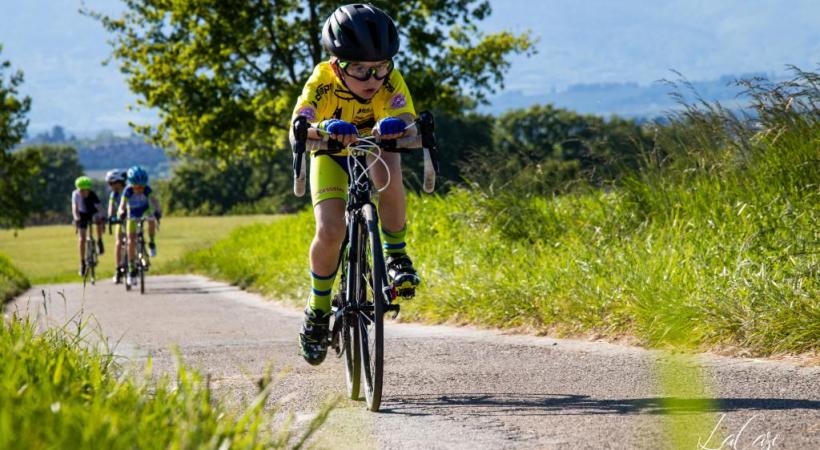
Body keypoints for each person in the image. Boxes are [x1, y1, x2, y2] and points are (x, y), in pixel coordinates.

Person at [291, 4, 421, 365]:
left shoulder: (390, 80)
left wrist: (399, 124)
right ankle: (318, 310)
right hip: (330, 154)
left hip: (372, 149)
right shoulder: (322, 80)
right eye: (359, 69)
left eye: (380, 67)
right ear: (337, 65)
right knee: (331, 230)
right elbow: (300, 123)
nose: (372, 79)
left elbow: (407, 117)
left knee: (390, 167)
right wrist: (321, 127)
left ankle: (396, 255)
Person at [117, 165, 162, 286]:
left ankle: (151, 242)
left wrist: (158, 211)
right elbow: (122, 205)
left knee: (151, 219)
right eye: (137, 187)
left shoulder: (147, 189)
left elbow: (154, 201)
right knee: (131, 240)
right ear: (131, 184)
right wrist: (121, 212)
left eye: (142, 187)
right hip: (132, 213)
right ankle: (131, 268)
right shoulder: (128, 190)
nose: (140, 189)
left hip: (144, 210)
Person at [71, 176, 105, 276]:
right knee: (82, 238)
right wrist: (76, 218)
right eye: (81, 190)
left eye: (85, 190)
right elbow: (74, 207)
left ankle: (99, 241)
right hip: (82, 214)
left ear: (89, 189)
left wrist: (102, 217)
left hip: (92, 212)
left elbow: (99, 207)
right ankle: (82, 263)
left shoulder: (92, 194)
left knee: (98, 220)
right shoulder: (75, 194)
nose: (83, 193)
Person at [106, 169, 128, 283]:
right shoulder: (113, 194)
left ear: (120, 182)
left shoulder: (128, 191)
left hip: (130, 218)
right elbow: (111, 207)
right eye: (110, 184)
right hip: (120, 219)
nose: (111, 186)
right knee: (119, 242)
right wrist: (110, 217)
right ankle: (118, 268)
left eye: (113, 183)